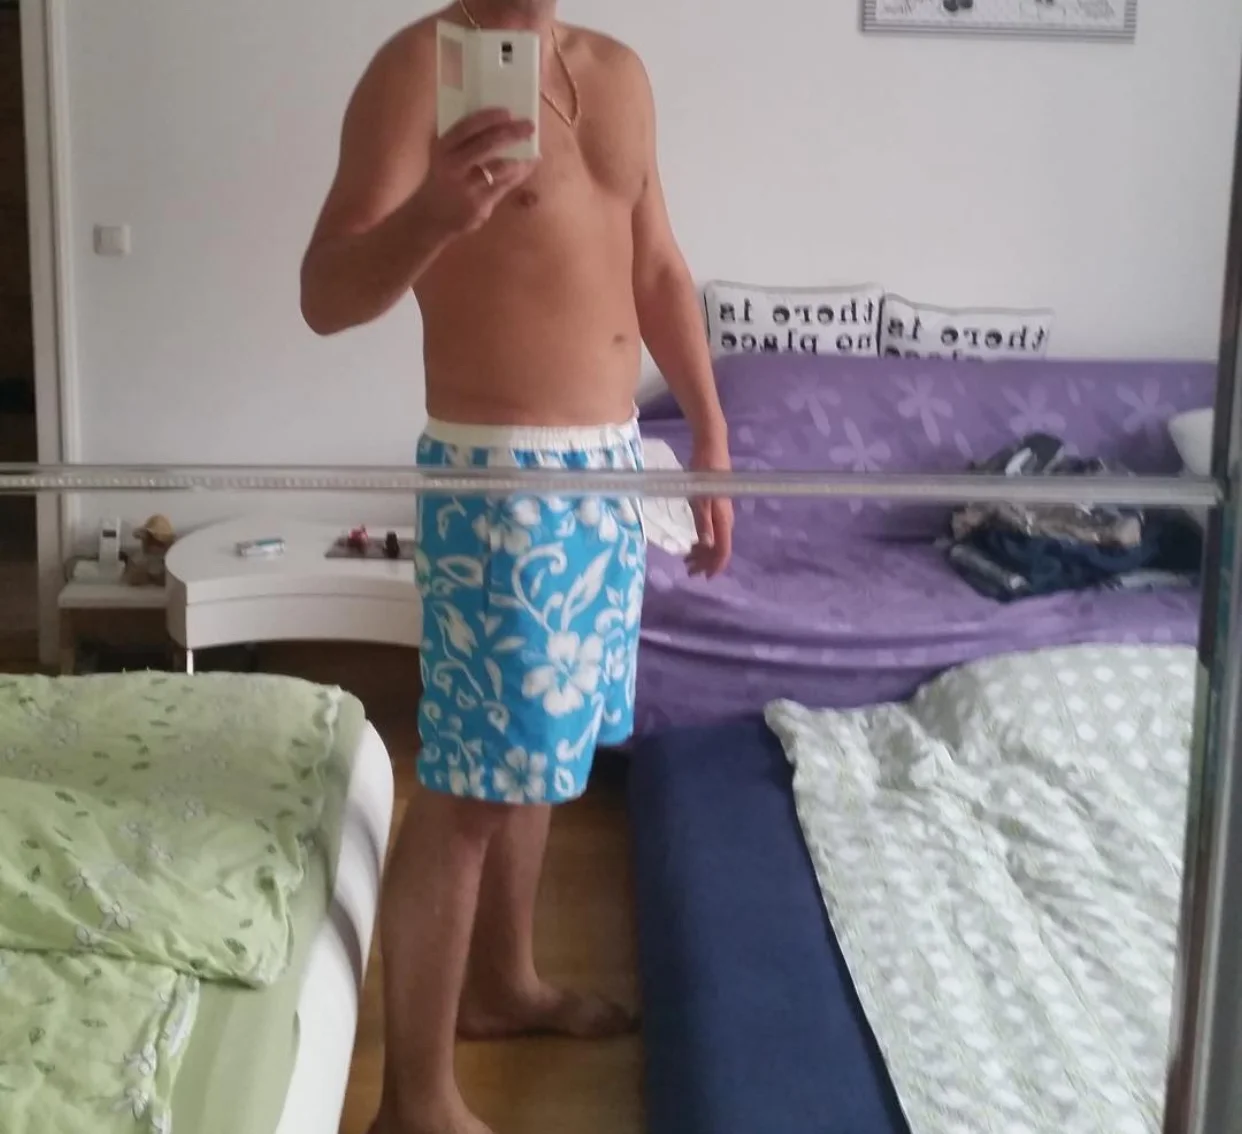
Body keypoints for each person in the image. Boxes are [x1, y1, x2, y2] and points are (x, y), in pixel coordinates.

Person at [300, 2, 732, 1132]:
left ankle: (506, 985)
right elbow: (326, 294)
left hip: (609, 468)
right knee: (470, 789)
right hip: (496, 481)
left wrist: (711, 438)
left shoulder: (619, 72)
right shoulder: (415, 70)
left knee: (541, 760)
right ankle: (416, 1102)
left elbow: (657, 265)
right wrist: (434, 215)